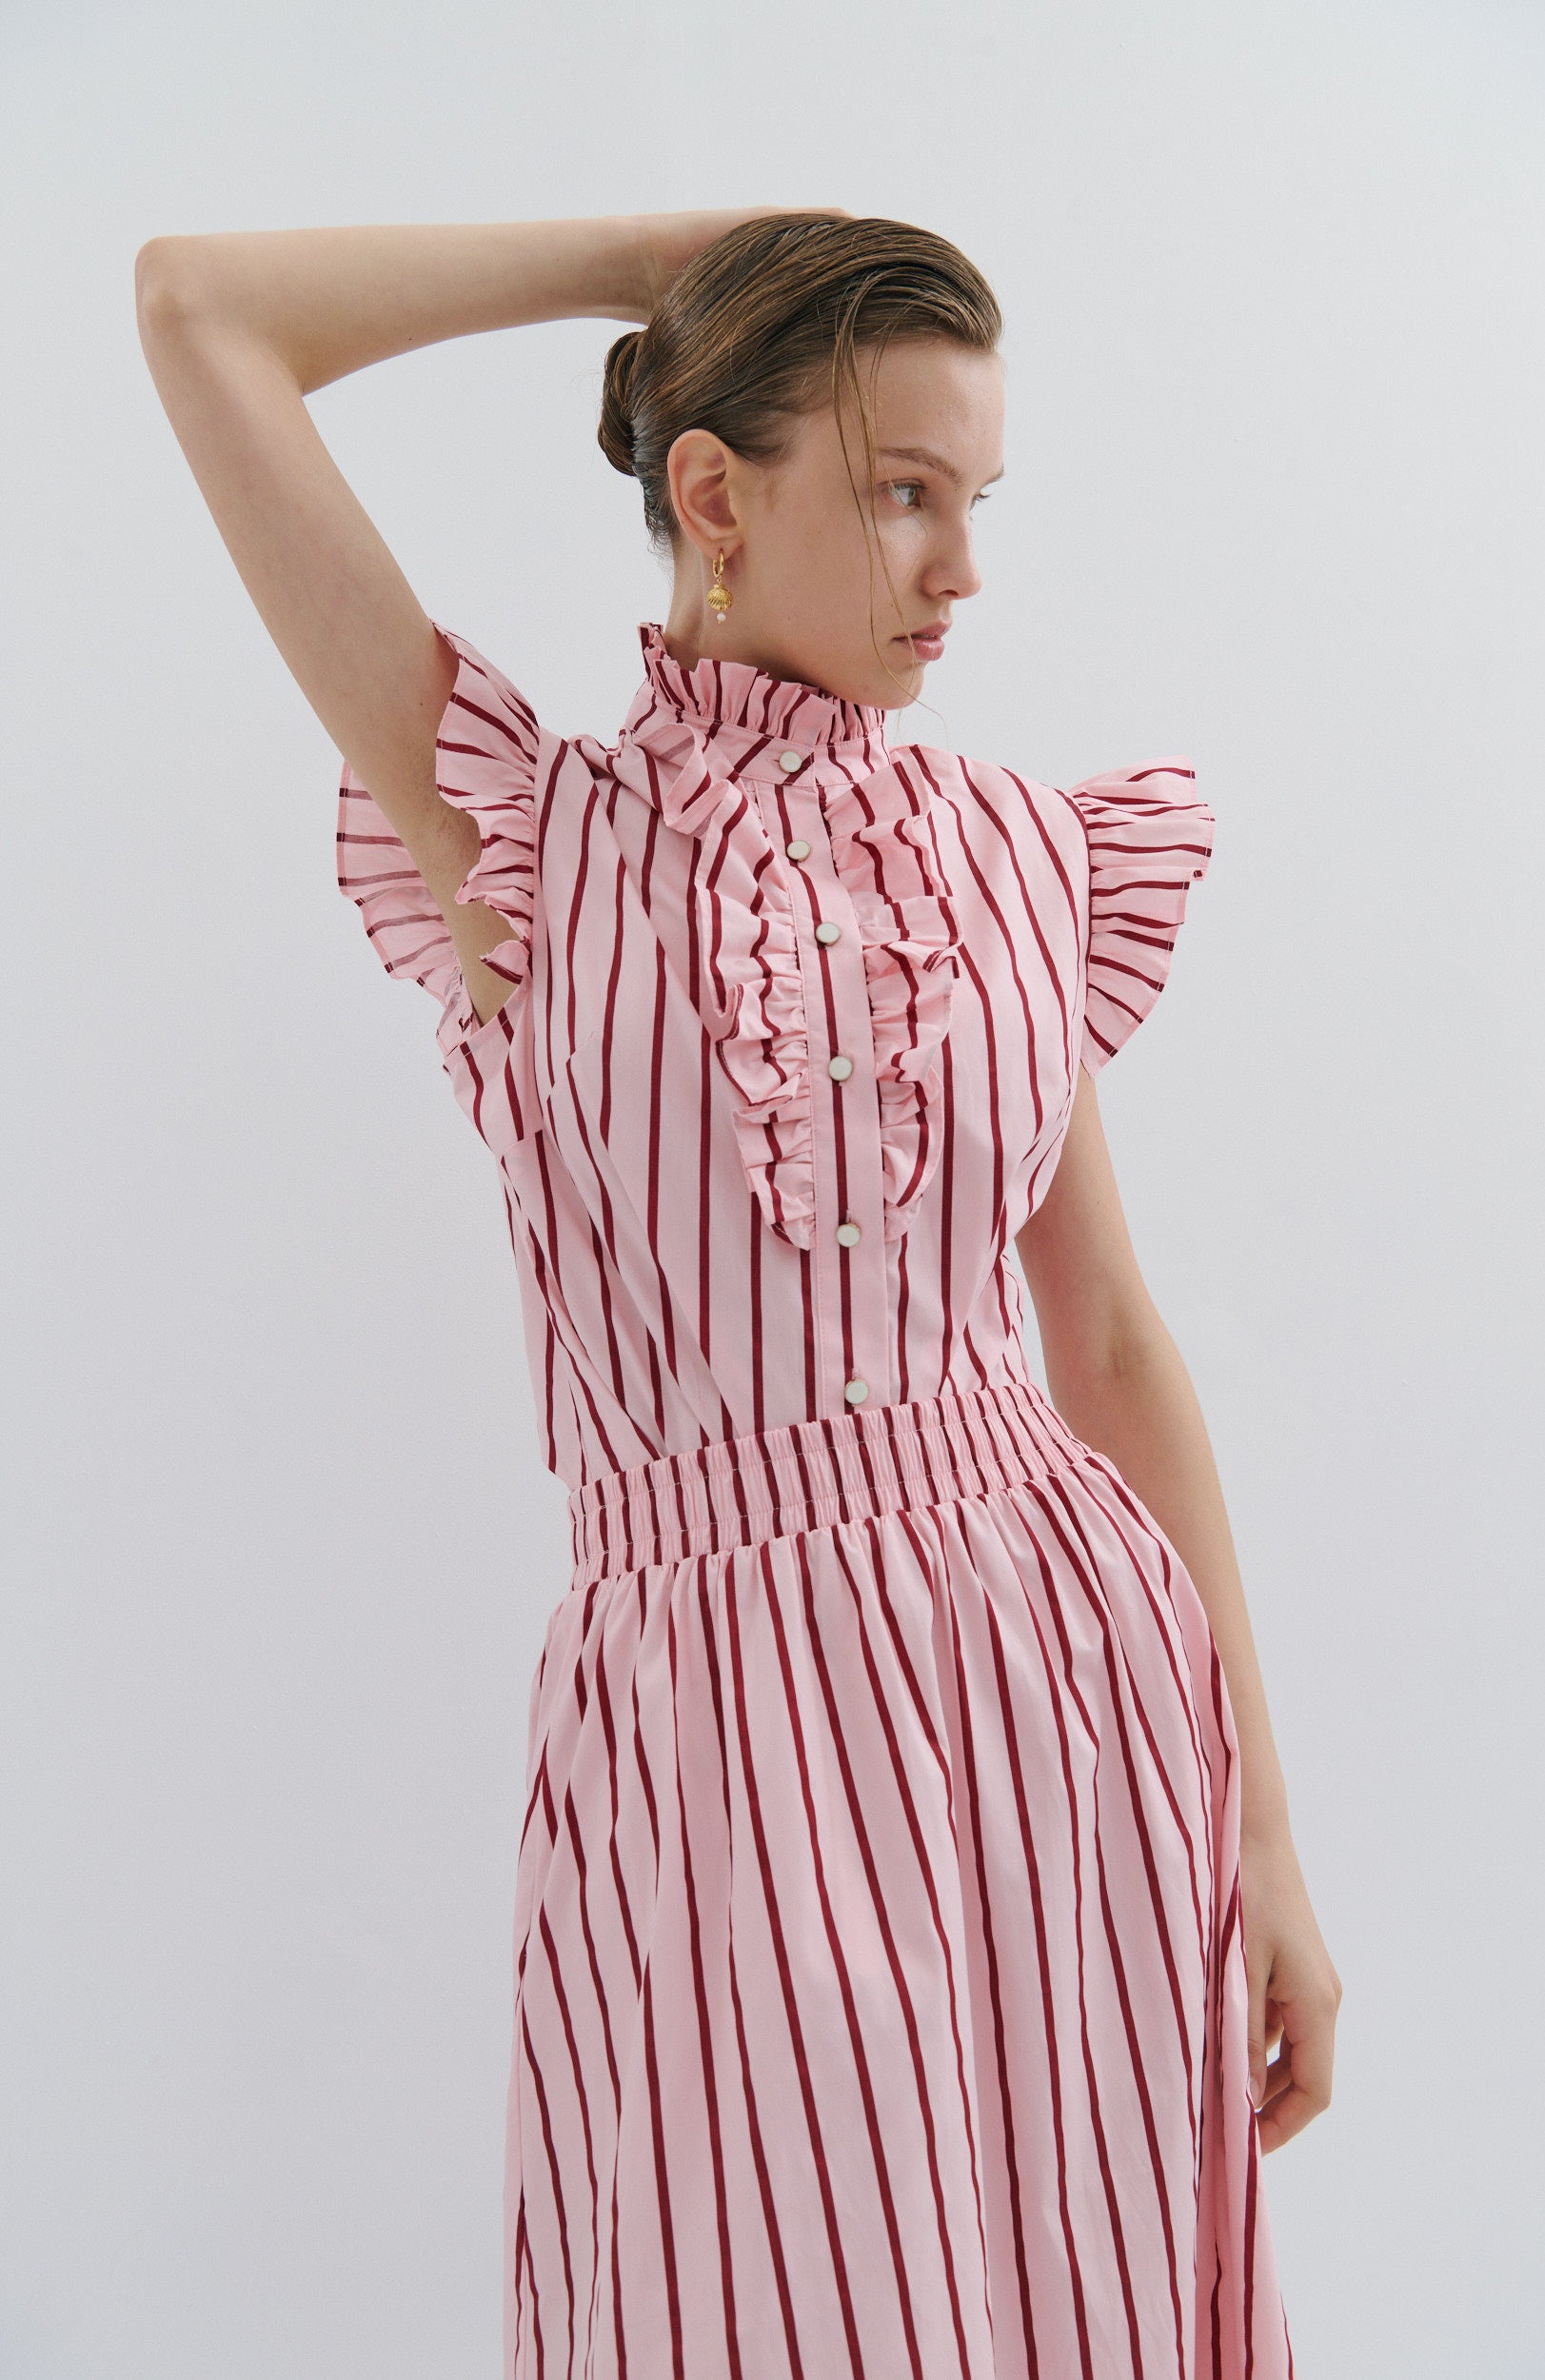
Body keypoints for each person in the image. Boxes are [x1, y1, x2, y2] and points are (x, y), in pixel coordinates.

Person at [135, 207, 1340, 2378]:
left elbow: (1109, 1342)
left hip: (1063, 1700)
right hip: (717, 1740)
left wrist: (1267, 1834)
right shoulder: (527, 842)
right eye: (903, 491)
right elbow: (201, 308)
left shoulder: (1015, 851)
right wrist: (660, 257)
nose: (961, 569)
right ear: (712, 492)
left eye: (978, 500)